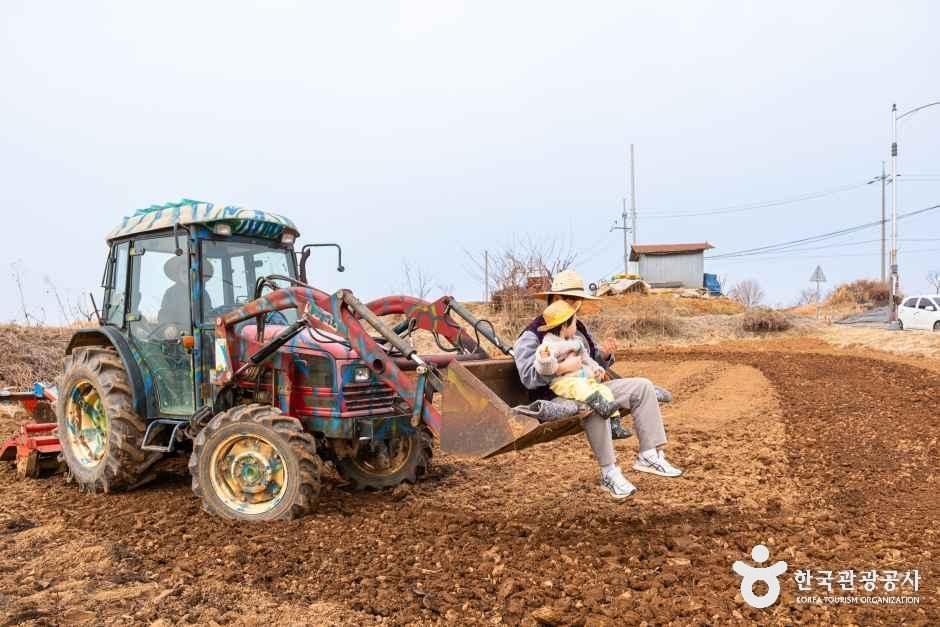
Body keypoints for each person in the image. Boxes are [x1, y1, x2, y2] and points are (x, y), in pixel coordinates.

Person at [513, 269, 683, 500]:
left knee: (642, 386)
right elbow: (527, 377)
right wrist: (562, 368)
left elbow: (590, 357)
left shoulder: (578, 327)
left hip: (589, 382)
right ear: (552, 299)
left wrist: (603, 357)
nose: (572, 305)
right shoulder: (532, 336)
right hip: (560, 393)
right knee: (594, 402)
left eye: (576, 301)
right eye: (567, 299)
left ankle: (649, 454)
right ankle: (609, 473)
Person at [534, 300, 622, 421]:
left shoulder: (576, 340)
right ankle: (601, 407)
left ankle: (614, 422)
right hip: (563, 382)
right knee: (581, 387)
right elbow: (544, 367)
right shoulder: (549, 344)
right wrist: (548, 360)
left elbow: (587, 359)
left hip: (583, 379)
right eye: (574, 322)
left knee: (602, 389)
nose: (576, 325)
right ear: (565, 325)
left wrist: (596, 367)